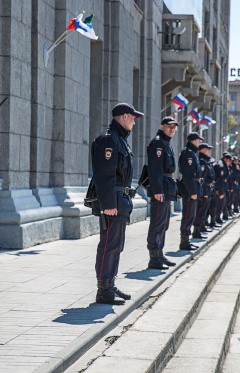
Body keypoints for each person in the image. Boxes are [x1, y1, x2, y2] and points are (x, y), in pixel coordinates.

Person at [91, 102, 143, 304]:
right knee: (109, 245)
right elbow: (104, 175)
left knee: (116, 245)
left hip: (119, 200)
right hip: (112, 201)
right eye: (133, 118)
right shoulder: (109, 140)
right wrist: (108, 203)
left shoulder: (119, 139)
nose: (134, 122)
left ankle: (109, 284)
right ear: (123, 117)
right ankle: (103, 290)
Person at [146, 117, 178, 270]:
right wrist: (158, 190)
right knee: (157, 224)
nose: (172, 129)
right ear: (162, 126)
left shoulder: (166, 143)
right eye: (169, 126)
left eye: (174, 127)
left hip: (166, 188)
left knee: (164, 224)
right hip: (160, 190)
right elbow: (155, 169)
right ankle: (153, 258)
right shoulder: (158, 143)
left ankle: (160, 253)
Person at [178, 132, 203, 250]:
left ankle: (186, 240)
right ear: (193, 141)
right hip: (189, 191)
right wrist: (193, 192)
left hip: (193, 188)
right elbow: (188, 175)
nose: (199, 143)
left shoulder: (192, 153)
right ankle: (184, 242)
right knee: (188, 215)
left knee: (191, 215)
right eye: (198, 140)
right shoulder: (188, 153)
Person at [193, 143, 215, 238]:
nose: (209, 151)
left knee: (203, 211)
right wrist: (204, 192)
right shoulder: (202, 161)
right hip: (204, 190)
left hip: (207, 189)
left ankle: (200, 228)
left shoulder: (206, 161)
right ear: (202, 150)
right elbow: (202, 178)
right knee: (200, 211)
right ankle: (196, 231)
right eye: (207, 149)